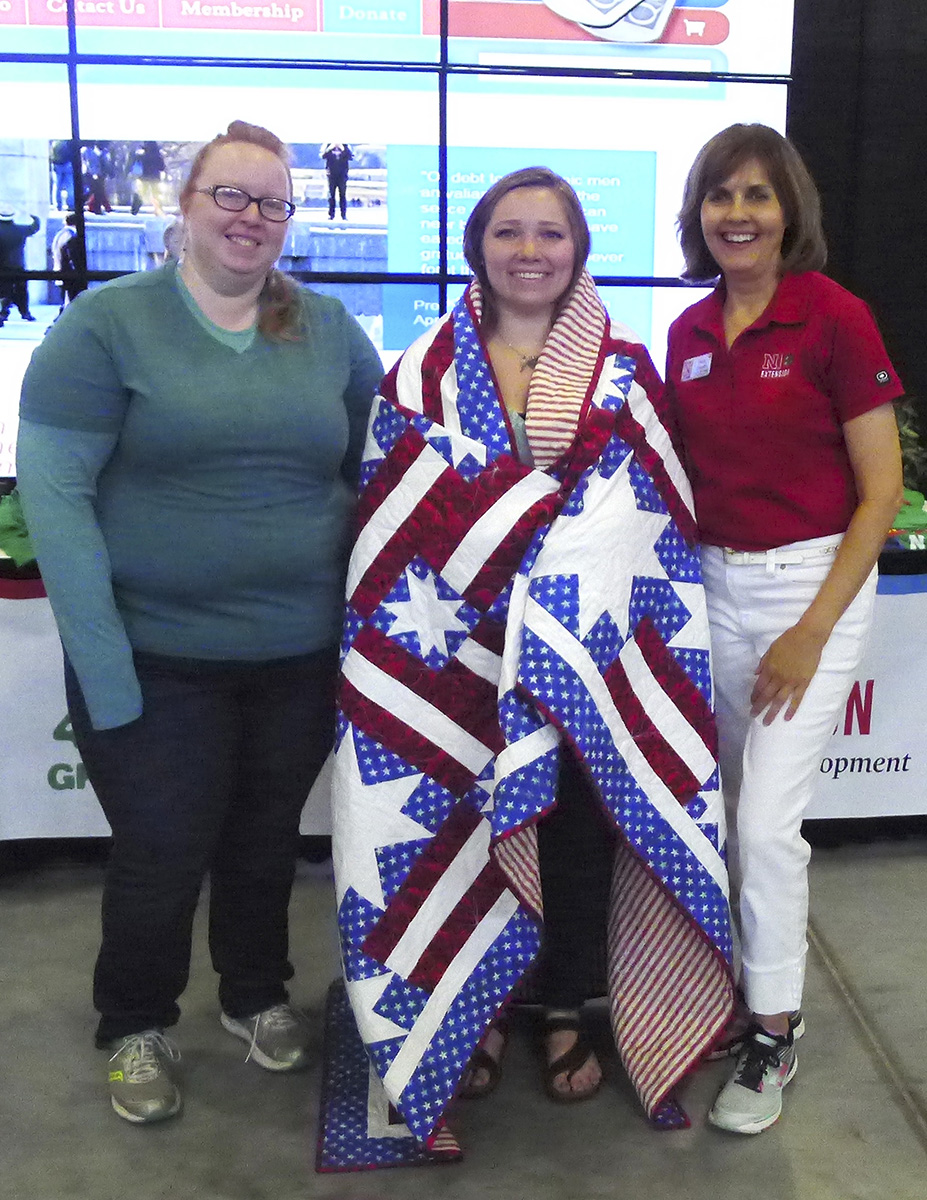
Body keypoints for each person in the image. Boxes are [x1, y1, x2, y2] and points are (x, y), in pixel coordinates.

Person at [331, 167, 732, 1160]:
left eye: (550, 234)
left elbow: (641, 527)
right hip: (451, 659)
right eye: (508, 231)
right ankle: (480, 1010)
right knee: (457, 829)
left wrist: (556, 615)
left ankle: (566, 1004)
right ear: (478, 245)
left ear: (578, 250)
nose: (528, 251)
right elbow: (393, 522)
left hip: (584, 661)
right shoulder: (417, 374)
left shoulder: (626, 374)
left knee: (579, 834)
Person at [16, 120, 383, 1126]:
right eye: (230, 196)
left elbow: (382, 465)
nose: (250, 218)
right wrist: (108, 671)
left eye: (271, 203)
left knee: (266, 840)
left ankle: (255, 993)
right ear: (184, 206)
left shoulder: (325, 328)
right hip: (154, 657)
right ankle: (135, 1022)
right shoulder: (104, 328)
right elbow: (56, 499)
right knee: (162, 849)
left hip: (297, 655)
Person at [666, 123, 904, 1135]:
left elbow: (883, 490)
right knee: (726, 819)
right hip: (710, 588)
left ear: (789, 210)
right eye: (721, 196)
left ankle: (775, 1031)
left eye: (757, 195)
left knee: (767, 825)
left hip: (813, 584)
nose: (738, 213)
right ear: (699, 215)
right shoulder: (685, 333)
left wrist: (810, 630)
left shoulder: (834, 318)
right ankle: (735, 994)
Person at [0, 209, 40, 325]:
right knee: (21, 291)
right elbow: (35, 227)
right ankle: (25, 313)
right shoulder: (20, 230)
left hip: (2, 267)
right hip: (17, 265)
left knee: (3, 291)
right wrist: (34, 216)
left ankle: (2, 313)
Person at [320, 143, 352, 220]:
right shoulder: (328, 145)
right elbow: (323, 156)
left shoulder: (345, 146)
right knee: (331, 196)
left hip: (342, 176)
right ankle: (331, 215)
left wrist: (343, 149)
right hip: (331, 176)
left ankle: (343, 215)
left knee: (342, 196)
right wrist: (330, 148)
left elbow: (350, 157)